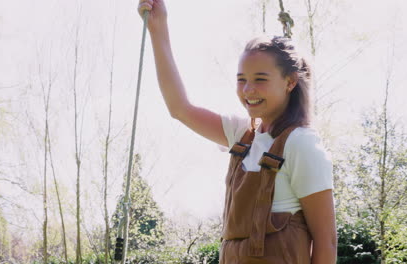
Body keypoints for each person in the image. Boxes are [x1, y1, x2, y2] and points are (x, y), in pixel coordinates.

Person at [137, 0, 337, 263]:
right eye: (241, 79)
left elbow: (327, 242)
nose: (248, 90)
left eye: (260, 80)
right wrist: (158, 28)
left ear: (290, 82)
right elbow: (180, 109)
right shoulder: (242, 135)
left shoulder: (301, 144)